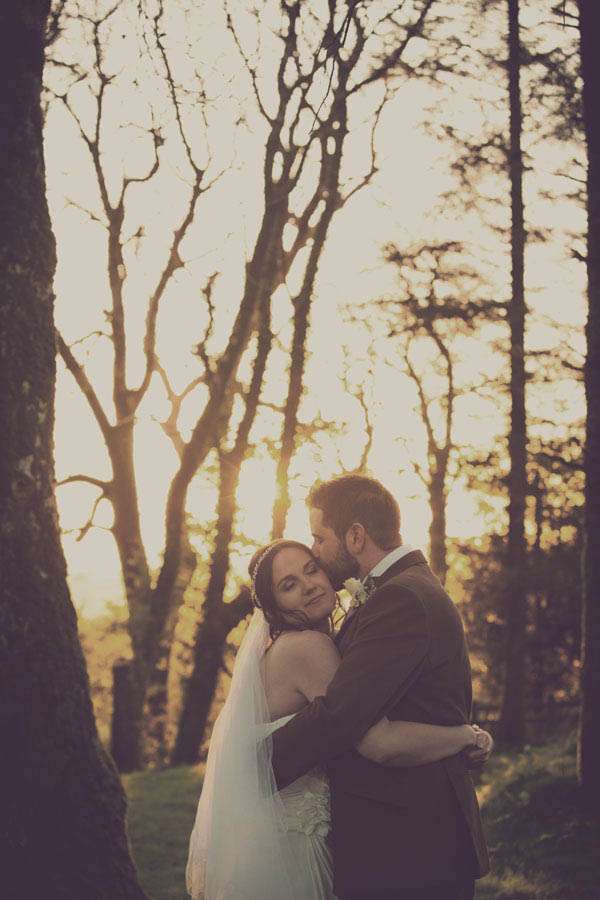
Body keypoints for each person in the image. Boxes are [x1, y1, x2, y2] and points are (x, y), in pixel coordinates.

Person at [186, 536, 491, 900]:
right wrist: (466, 735)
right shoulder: (308, 648)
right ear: (274, 608)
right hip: (299, 847)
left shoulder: (289, 647)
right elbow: (377, 741)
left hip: (280, 839)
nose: (308, 586)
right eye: (289, 585)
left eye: (311, 570)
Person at [270, 474, 491, 900]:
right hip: (407, 835)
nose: (316, 551)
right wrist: (468, 735)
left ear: (355, 537)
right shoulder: (402, 588)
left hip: (409, 842)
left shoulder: (400, 597)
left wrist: (254, 766)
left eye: (320, 538)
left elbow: (341, 715)